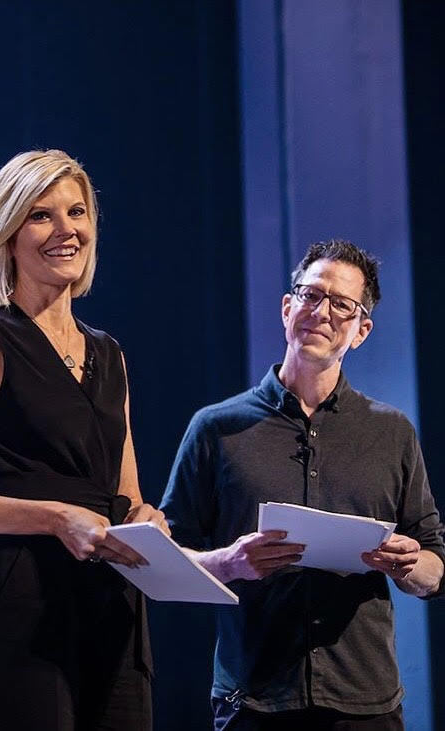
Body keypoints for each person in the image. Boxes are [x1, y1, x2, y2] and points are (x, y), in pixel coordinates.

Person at [0, 149, 166, 731]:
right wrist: (52, 517)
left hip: (114, 607)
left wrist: (148, 520)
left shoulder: (110, 354)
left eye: (77, 212)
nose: (66, 230)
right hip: (24, 611)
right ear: (8, 234)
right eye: (42, 215)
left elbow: (126, 498)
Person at [160, 240, 445, 730]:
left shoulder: (392, 431)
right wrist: (228, 562)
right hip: (253, 701)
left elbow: (435, 564)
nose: (322, 312)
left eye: (342, 304)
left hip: (366, 703)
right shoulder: (216, 428)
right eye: (311, 295)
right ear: (287, 308)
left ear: (361, 331)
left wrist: (409, 565)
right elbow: (166, 559)